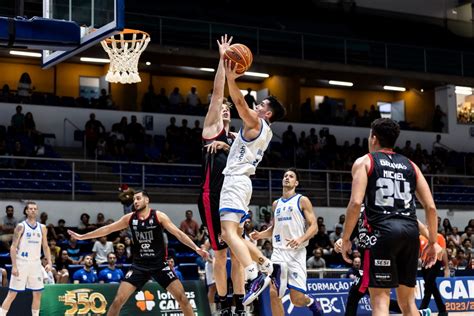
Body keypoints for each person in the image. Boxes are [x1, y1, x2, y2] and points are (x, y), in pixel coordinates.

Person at [339, 118, 438, 316]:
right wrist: (432, 242)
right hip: (410, 233)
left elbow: (356, 203)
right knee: (408, 304)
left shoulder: (365, 161)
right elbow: (431, 207)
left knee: (380, 300)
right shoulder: (411, 165)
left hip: (382, 233)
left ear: (373, 138)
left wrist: (346, 238)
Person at [220, 39, 286, 307]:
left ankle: (253, 275)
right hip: (242, 182)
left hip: (236, 182)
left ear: (267, 113)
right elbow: (242, 143)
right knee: (237, 235)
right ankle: (267, 265)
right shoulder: (264, 131)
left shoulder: (256, 121)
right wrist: (229, 132)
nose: (256, 105)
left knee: (228, 234)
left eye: (260, 104)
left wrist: (229, 75)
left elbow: (237, 101)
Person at [67, 190, 208, 316]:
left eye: (138, 198)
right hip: (139, 266)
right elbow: (107, 229)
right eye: (134, 199)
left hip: (159, 265)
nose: (135, 201)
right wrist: (82, 236)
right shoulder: (130, 218)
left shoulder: (158, 216)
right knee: (118, 300)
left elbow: (179, 234)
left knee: (182, 298)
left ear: (147, 200)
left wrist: (196, 248)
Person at [197, 34, 245, 315]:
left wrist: (228, 144)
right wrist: (222, 61)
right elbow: (217, 94)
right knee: (220, 252)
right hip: (210, 195)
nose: (224, 109)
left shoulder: (236, 140)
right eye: (222, 108)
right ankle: (224, 304)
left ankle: (239, 302)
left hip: (232, 196)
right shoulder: (209, 130)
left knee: (236, 253)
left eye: (228, 108)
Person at [334, 207, 435, 316]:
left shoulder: (385, 206)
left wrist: (433, 241)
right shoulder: (360, 214)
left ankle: (417, 312)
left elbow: (420, 216)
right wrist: (342, 240)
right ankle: (418, 313)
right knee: (378, 299)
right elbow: (350, 233)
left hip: (379, 257)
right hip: (370, 259)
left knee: (375, 299)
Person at [250, 168, 321, 315]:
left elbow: (314, 227)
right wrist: (260, 235)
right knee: (273, 293)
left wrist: (300, 239)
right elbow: (274, 229)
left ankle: (311, 302)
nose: (287, 178)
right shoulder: (276, 204)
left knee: (297, 299)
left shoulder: (302, 200)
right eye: (285, 176)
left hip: (296, 254)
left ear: (296, 182)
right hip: (278, 253)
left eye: (291, 176)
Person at [0, 201, 52, 316]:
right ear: (26, 211)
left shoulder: (42, 228)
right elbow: (13, 247)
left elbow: (46, 246)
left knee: (37, 293)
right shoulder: (20, 226)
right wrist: (14, 266)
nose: (33, 210)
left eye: (35, 208)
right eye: (31, 209)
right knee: (12, 293)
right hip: (21, 263)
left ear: (37, 211)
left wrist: (50, 262)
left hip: (36, 264)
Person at [419, 232, 449, 315]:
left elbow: (443, 252)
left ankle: (422, 309)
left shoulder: (439, 237)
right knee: (432, 286)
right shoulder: (421, 237)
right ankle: (442, 310)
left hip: (436, 263)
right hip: (424, 263)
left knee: (428, 286)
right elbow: (418, 252)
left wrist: (446, 267)